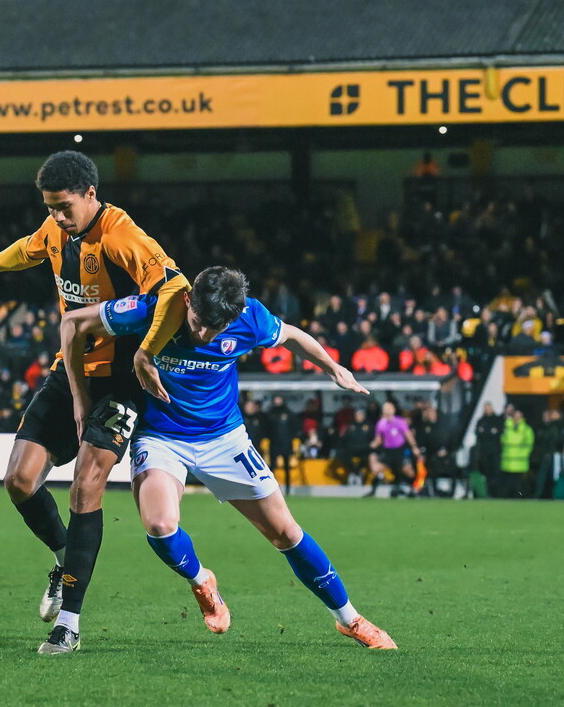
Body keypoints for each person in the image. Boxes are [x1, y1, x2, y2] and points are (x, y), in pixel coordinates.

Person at [60, 267, 397, 650]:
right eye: (199, 323)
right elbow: (73, 321)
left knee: (286, 532)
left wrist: (333, 367)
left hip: (224, 439)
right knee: (159, 525)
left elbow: (291, 336)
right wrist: (79, 396)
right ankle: (201, 580)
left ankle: (350, 619)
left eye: (216, 328)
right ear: (187, 301)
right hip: (161, 437)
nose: (204, 335)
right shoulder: (151, 309)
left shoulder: (249, 316)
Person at [0, 151, 189, 654]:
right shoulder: (56, 230)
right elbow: (27, 250)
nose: (56, 216)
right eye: (50, 207)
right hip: (71, 371)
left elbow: (175, 289)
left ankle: (69, 625)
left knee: (84, 487)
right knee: (18, 480)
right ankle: (63, 559)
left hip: (120, 383)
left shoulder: (122, 236)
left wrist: (146, 353)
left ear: (91, 195)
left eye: (64, 206)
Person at [367, 401, 422, 497]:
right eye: (385, 410)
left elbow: (408, 435)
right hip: (388, 451)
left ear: (393, 410)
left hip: (400, 450)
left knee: (409, 471)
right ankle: (373, 491)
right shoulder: (381, 423)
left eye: (388, 409)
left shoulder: (400, 422)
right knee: (376, 469)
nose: (387, 411)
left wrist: (414, 447)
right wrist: (373, 445)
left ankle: (413, 489)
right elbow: (379, 438)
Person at [498, 409, 534, 498]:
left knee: (519, 483)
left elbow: (529, 444)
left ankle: (518, 497)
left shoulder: (526, 429)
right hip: (508, 460)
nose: (517, 418)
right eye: (515, 416)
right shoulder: (506, 427)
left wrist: (523, 454)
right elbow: (502, 441)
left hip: (520, 461)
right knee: (507, 483)